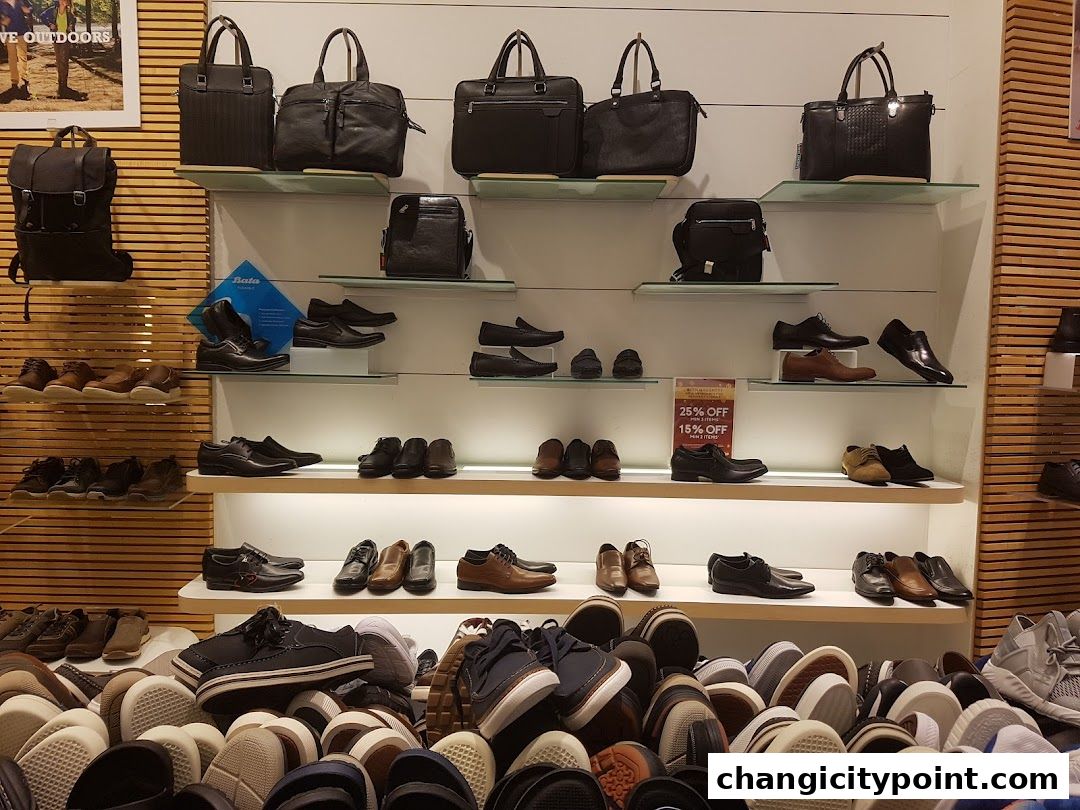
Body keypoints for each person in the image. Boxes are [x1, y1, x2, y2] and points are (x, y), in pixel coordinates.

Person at [40, 0, 86, 100]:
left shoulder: (69, 13)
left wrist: (71, 27)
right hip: (56, 38)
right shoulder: (53, 10)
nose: (66, 1)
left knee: (64, 61)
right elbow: (42, 16)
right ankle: (60, 85)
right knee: (59, 61)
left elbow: (73, 22)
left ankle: (64, 85)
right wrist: (49, 24)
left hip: (66, 39)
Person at [0, 0, 33, 103]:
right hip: (10, 34)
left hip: (22, 32)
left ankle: (25, 81)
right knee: (12, 59)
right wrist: (2, 20)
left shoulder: (21, 1)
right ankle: (14, 83)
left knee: (23, 57)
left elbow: (31, 8)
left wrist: (28, 10)